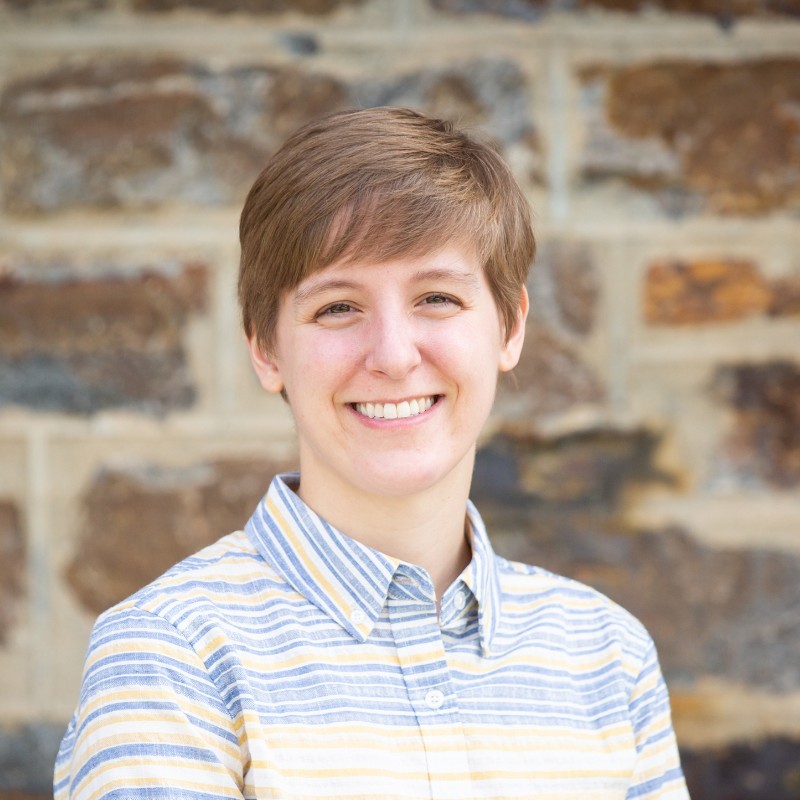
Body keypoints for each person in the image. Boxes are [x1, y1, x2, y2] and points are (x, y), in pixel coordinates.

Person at [55, 106, 689, 799]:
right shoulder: (171, 656)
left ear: (510, 327)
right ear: (266, 349)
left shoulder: (607, 656)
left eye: (437, 298)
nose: (392, 356)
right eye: (337, 308)